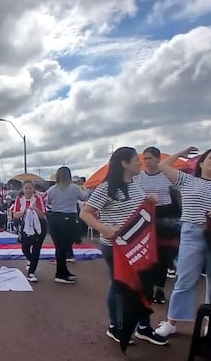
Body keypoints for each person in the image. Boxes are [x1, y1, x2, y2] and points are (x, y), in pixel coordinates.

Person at [154, 147, 211, 338]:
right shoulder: (187, 180)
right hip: (192, 232)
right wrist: (181, 152)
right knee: (185, 279)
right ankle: (172, 321)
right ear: (202, 163)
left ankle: (210, 323)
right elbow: (162, 165)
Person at [80, 147, 168, 347]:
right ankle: (115, 326)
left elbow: (136, 208)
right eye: (136, 160)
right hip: (116, 247)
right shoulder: (106, 188)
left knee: (142, 285)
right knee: (120, 285)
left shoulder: (136, 184)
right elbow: (85, 213)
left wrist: (149, 200)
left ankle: (143, 327)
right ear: (124, 164)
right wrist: (103, 228)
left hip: (137, 246)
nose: (140, 163)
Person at [134, 147, 181, 305]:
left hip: (165, 216)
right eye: (145, 159)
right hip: (146, 215)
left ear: (158, 159)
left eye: (150, 158)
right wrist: (146, 198)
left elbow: (177, 193)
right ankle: (146, 286)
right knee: (147, 254)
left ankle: (159, 288)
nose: (147, 162)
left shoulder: (167, 175)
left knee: (162, 255)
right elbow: (135, 195)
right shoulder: (138, 177)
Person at [45, 167, 88, 283]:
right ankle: (60, 273)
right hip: (69, 218)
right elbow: (84, 197)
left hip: (55, 218)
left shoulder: (52, 189)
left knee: (59, 247)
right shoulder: (74, 188)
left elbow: (47, 201)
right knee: (64, 247)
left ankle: (63, 270)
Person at [9, 180, 47, 283]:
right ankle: (32, 260)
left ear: (33, 189)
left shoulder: (38, 198)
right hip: (25, 227)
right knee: (25, 248)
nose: (29, 190)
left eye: (30, 188)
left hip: (39, 227)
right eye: (27, 188)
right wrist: (25, 211)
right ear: (23, 189)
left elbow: (43, 215)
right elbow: (15, 214)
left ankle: (31, 272)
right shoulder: (19, 199)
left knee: (36, 248)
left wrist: (35, 209)